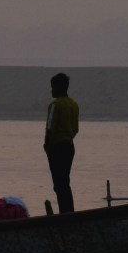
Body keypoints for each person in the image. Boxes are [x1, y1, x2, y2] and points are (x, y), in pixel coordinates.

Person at [44, 72, 80, 213]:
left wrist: (47, 145)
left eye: (53, 87)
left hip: (56, 147)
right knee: (64, 181)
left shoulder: (54, 105)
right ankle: (68, 210)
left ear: (59, 87)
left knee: (59, 183)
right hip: (69, 146)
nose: (52, 90)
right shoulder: (74, 105)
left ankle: (65, 213)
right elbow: (75, 128)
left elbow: (49, 127)